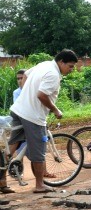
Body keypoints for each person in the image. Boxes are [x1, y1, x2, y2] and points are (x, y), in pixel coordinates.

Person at [7, 49, 78, 193]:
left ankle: (2, 181)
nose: (71, 69)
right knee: (38, 151)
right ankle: (39, 185)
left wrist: (26, 94)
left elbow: (26, 74)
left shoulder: (44, 64)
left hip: (19, 109)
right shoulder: (53, 74)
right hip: (33, 116)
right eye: (70, 66)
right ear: (61, 62)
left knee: (11, 147)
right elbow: (42, 95)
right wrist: (55, 110)